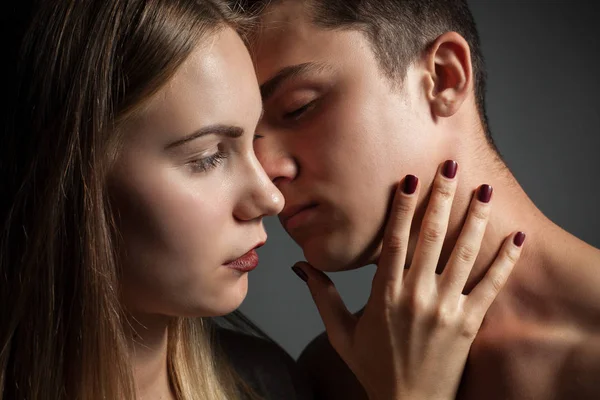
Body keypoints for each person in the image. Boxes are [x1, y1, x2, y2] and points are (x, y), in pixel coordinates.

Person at [1, 0, 522, 399]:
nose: (270, 197)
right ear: (64, 179)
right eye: (207, 156)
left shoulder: (272, 384)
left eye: (291, 114)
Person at [231, 0, 600, 398]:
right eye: (246, 141)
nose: (262, 171)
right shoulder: (333, 373)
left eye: (299, 107)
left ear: (444, 78)